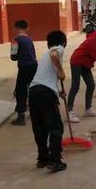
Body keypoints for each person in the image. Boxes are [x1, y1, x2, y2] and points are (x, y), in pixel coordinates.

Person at [28, 31, 68, 173]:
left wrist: (58, 92)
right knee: (56, 127)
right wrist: (61, 71)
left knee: (40, 127)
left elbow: (44, 79)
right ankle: (55, 161)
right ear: (63, 42)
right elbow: (54, 56)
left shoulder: (45, 54)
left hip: (34, 91)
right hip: (45, 93)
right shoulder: (57, 49)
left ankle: (42, 158)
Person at [67, 21, 96, 123]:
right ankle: (69, 112)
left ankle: (88, 109)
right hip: (77, 61)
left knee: (91, 85)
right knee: (75, 86)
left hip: (85, 63)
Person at [10, 20, 38, 126]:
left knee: (21, 91)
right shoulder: (29, 39)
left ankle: (21, 117)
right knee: (33, 89)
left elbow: (13, 56)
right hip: (34, 66)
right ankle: (35, 112)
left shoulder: (16, 40)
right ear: (26, 28)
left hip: (24, 67)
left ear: (16, 28)